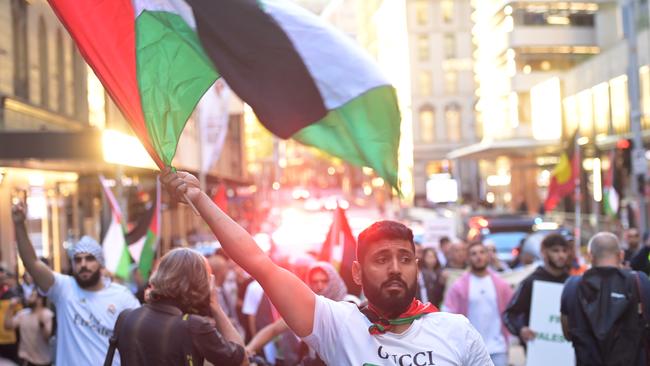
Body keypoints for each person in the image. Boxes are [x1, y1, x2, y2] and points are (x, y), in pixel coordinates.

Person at [162, 169, 493, 365]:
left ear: (417, 268)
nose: (395, 268)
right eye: (381, 259)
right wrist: (200, 198)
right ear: (357, 274)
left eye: (405, 259)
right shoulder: (336, 323)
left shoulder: (457, 330)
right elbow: (259, 263)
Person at [12, 203, 140, 365]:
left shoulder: (122, 297)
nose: (83, 264)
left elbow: (139, 338)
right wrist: (19, 225)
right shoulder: (64, 289)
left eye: (90, 258)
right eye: (78, 260)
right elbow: (32, 263)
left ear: (101, 264)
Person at [112, 248, 246, 366]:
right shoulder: (193, 326)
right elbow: (241, 360)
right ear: (200, 283)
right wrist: (215, 305)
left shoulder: (126, 317)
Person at [561, 232, 650, 366]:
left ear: (590, 256)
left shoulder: (572, 285)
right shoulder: (639, 281)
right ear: (621, 255)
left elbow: (567, 333)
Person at [246, 261, 348, 365]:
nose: (320, 286)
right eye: (315, 281)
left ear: (334, 280)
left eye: (324, 281)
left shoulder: (349, 304)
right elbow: (274, 329)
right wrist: (248, 350)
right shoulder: (310, 308)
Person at [444, 242, 513, 366]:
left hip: (498, 348)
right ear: (468, 258)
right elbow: (448, 312)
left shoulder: (501, 284)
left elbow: (512, 310)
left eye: (482, 252)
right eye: (473, 253)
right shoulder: (459, 286)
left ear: (488, 255)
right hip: (471, 349)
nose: (478, 256)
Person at [502, 233, 570, 348]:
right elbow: (510, 314)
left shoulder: (571, 283)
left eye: (564, 251)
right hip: (538, 352)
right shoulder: (531, 282)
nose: (561, 255)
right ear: (543, 252)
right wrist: (521, 329)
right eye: (555, 251)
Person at [4, 291, 53, 366]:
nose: (28, 298)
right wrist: (11, 307)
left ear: (40, 300)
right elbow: (8, 326)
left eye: (32, 296)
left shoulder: (46, 314)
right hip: (25, 360)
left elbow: (47, 337)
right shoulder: (23, 314)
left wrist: (42, 322)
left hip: (42, 361)